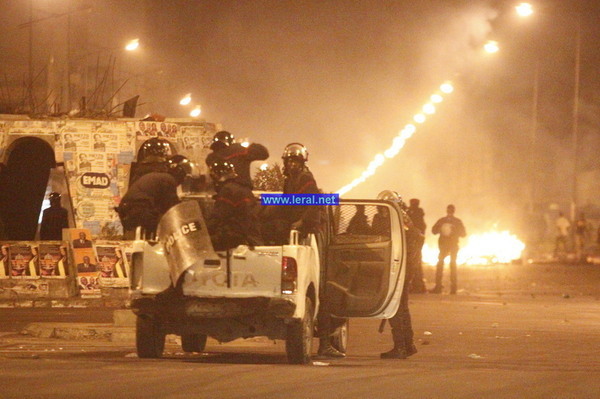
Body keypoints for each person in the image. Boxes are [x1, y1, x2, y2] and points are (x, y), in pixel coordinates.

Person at [380, 193, 419, 359]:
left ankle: (401, 347)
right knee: (401, 307)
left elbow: (402, 247)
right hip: (404, 269)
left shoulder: (399, 222)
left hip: (400, 269)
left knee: (396, 309)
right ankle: (408, 345)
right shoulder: (403, 219)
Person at [117, 155, 194, 238]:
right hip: (138, 208)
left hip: (127, 209)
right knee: (165, 226)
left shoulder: (159, 177)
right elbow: (171, 207)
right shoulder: (168, 179)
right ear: (179, 172)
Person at [206, 159, 262, 251]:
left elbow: (217, 217)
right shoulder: (243, 189)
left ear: (216, 177)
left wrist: (203, 232)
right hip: (250, 238)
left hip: (240, 240)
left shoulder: (227, 191)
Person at [430, 204, 466, 295]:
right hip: (452, 245)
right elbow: (463, 234)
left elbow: (434, 231)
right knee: (452, 265)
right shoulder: (457, 221)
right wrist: (454, 231)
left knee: (441, 265)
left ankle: (439, 287)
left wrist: (442, 229)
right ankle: (453, 288)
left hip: (444, 246)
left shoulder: (442, 220)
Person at [407, 198, 427, 294]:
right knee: (416, 264)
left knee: (414, 264)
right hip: (414, 243)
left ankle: (417, 286)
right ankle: (418, 286)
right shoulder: (417, 215)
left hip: (414, 244)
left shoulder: (414, 215)